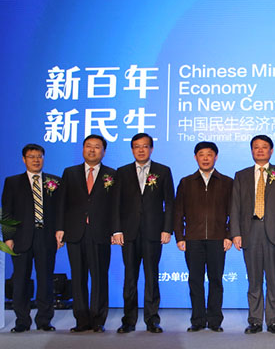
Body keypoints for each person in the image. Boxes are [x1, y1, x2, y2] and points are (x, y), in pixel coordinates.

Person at [230, 135, 275, 334]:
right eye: (256, 147)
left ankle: (274, 321)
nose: (260, 150)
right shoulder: (241, 175)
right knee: (254, 280)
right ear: (251, 151)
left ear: (271, 151)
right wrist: (235, 233)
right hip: (250, 232)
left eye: (264, 147)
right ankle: (255, 320)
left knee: (274, 280)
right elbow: (235, 206)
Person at [113, 133, 175, 333]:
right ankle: (128, 320)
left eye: (145, 146)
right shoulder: (122, 172)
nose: (141, 150)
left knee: (151, 277)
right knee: (130, 278)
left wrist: (167, 229)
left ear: (151, 149)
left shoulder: (163, 171)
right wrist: (117, 230)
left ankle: (152, 320)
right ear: (132, 149)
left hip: (153, 232)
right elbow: (116, 204)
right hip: (129, 233)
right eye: (137, 146)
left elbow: (170, 203)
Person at [56, 134, 117, 333]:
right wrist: (60, 228)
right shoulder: (70, 173)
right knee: (78, 277)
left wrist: (115, 230)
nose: (92, 150)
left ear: (104, 152)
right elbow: (62, 203)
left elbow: (116, 207)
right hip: (75, 232)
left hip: (100, 233)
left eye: (97, 147)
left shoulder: (112, 174)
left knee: (99, 277)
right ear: (83, 149)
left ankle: (98, 319)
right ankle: (81, 319)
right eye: (88, 146)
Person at [174, 141, 233, 332]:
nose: (205, 158)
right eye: (201, 154)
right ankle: (197, 320)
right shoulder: (186, 182)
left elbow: (233, 212)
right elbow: (178, 212)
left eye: (209, 154)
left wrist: (229, 235)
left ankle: (215, 321)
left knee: (216, 280)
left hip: (218, 238)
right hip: (193, 239)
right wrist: (180, 237)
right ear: (195, 157)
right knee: (195, 281)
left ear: (216, 157)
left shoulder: (227, 182)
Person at [2, 144, 60, 332]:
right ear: (24, 159)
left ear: (43, 158)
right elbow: (7, 212)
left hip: (46, 236)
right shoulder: (12, 182)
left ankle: (44, 320)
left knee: (46, 280)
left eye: (39, 156)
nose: (36, 160)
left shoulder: (54, 181)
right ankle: (22, 321)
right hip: (20, 237)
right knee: (21, 280)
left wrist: (60, 232)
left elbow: (60, 211)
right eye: (31, 156)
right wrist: (8, 237)